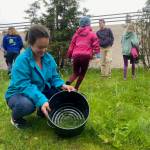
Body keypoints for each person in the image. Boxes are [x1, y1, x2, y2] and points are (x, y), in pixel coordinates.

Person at [5, 25, 75, 129]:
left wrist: (62, 85)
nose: (43, 50)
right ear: (31, 44)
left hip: (39, 89)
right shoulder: (21, 60)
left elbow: (54, 77)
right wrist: (42, 100)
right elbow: (25, 86)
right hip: (18, 93)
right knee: (27, 105)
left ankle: (42, 111)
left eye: (46, 47)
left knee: (61, 94)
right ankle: (16, 118)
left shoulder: (48, 58)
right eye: (40, 47)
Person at [66, 16, 100, 90]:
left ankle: (68, 82)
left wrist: (69, 56)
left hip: (76, 56)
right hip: (85, 56)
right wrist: (97, 55)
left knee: (75, 72)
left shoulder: (76, 35)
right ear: (89, 24)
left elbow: (71, 46)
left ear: (80, 25)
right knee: (82, 73)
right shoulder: (92, 34)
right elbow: (96, 44)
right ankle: (76, 88)